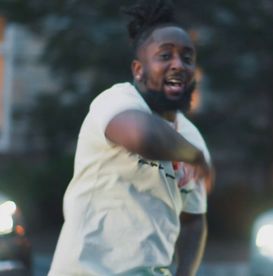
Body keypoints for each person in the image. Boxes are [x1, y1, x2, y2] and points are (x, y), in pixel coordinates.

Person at [48, 0, 213, 275]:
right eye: (165, 56)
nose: (178, 65)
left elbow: (194, 220)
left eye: (187, 57)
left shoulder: (191, 137)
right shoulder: (117, 101)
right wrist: (194, 156)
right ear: (138, 69)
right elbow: (143, 136)